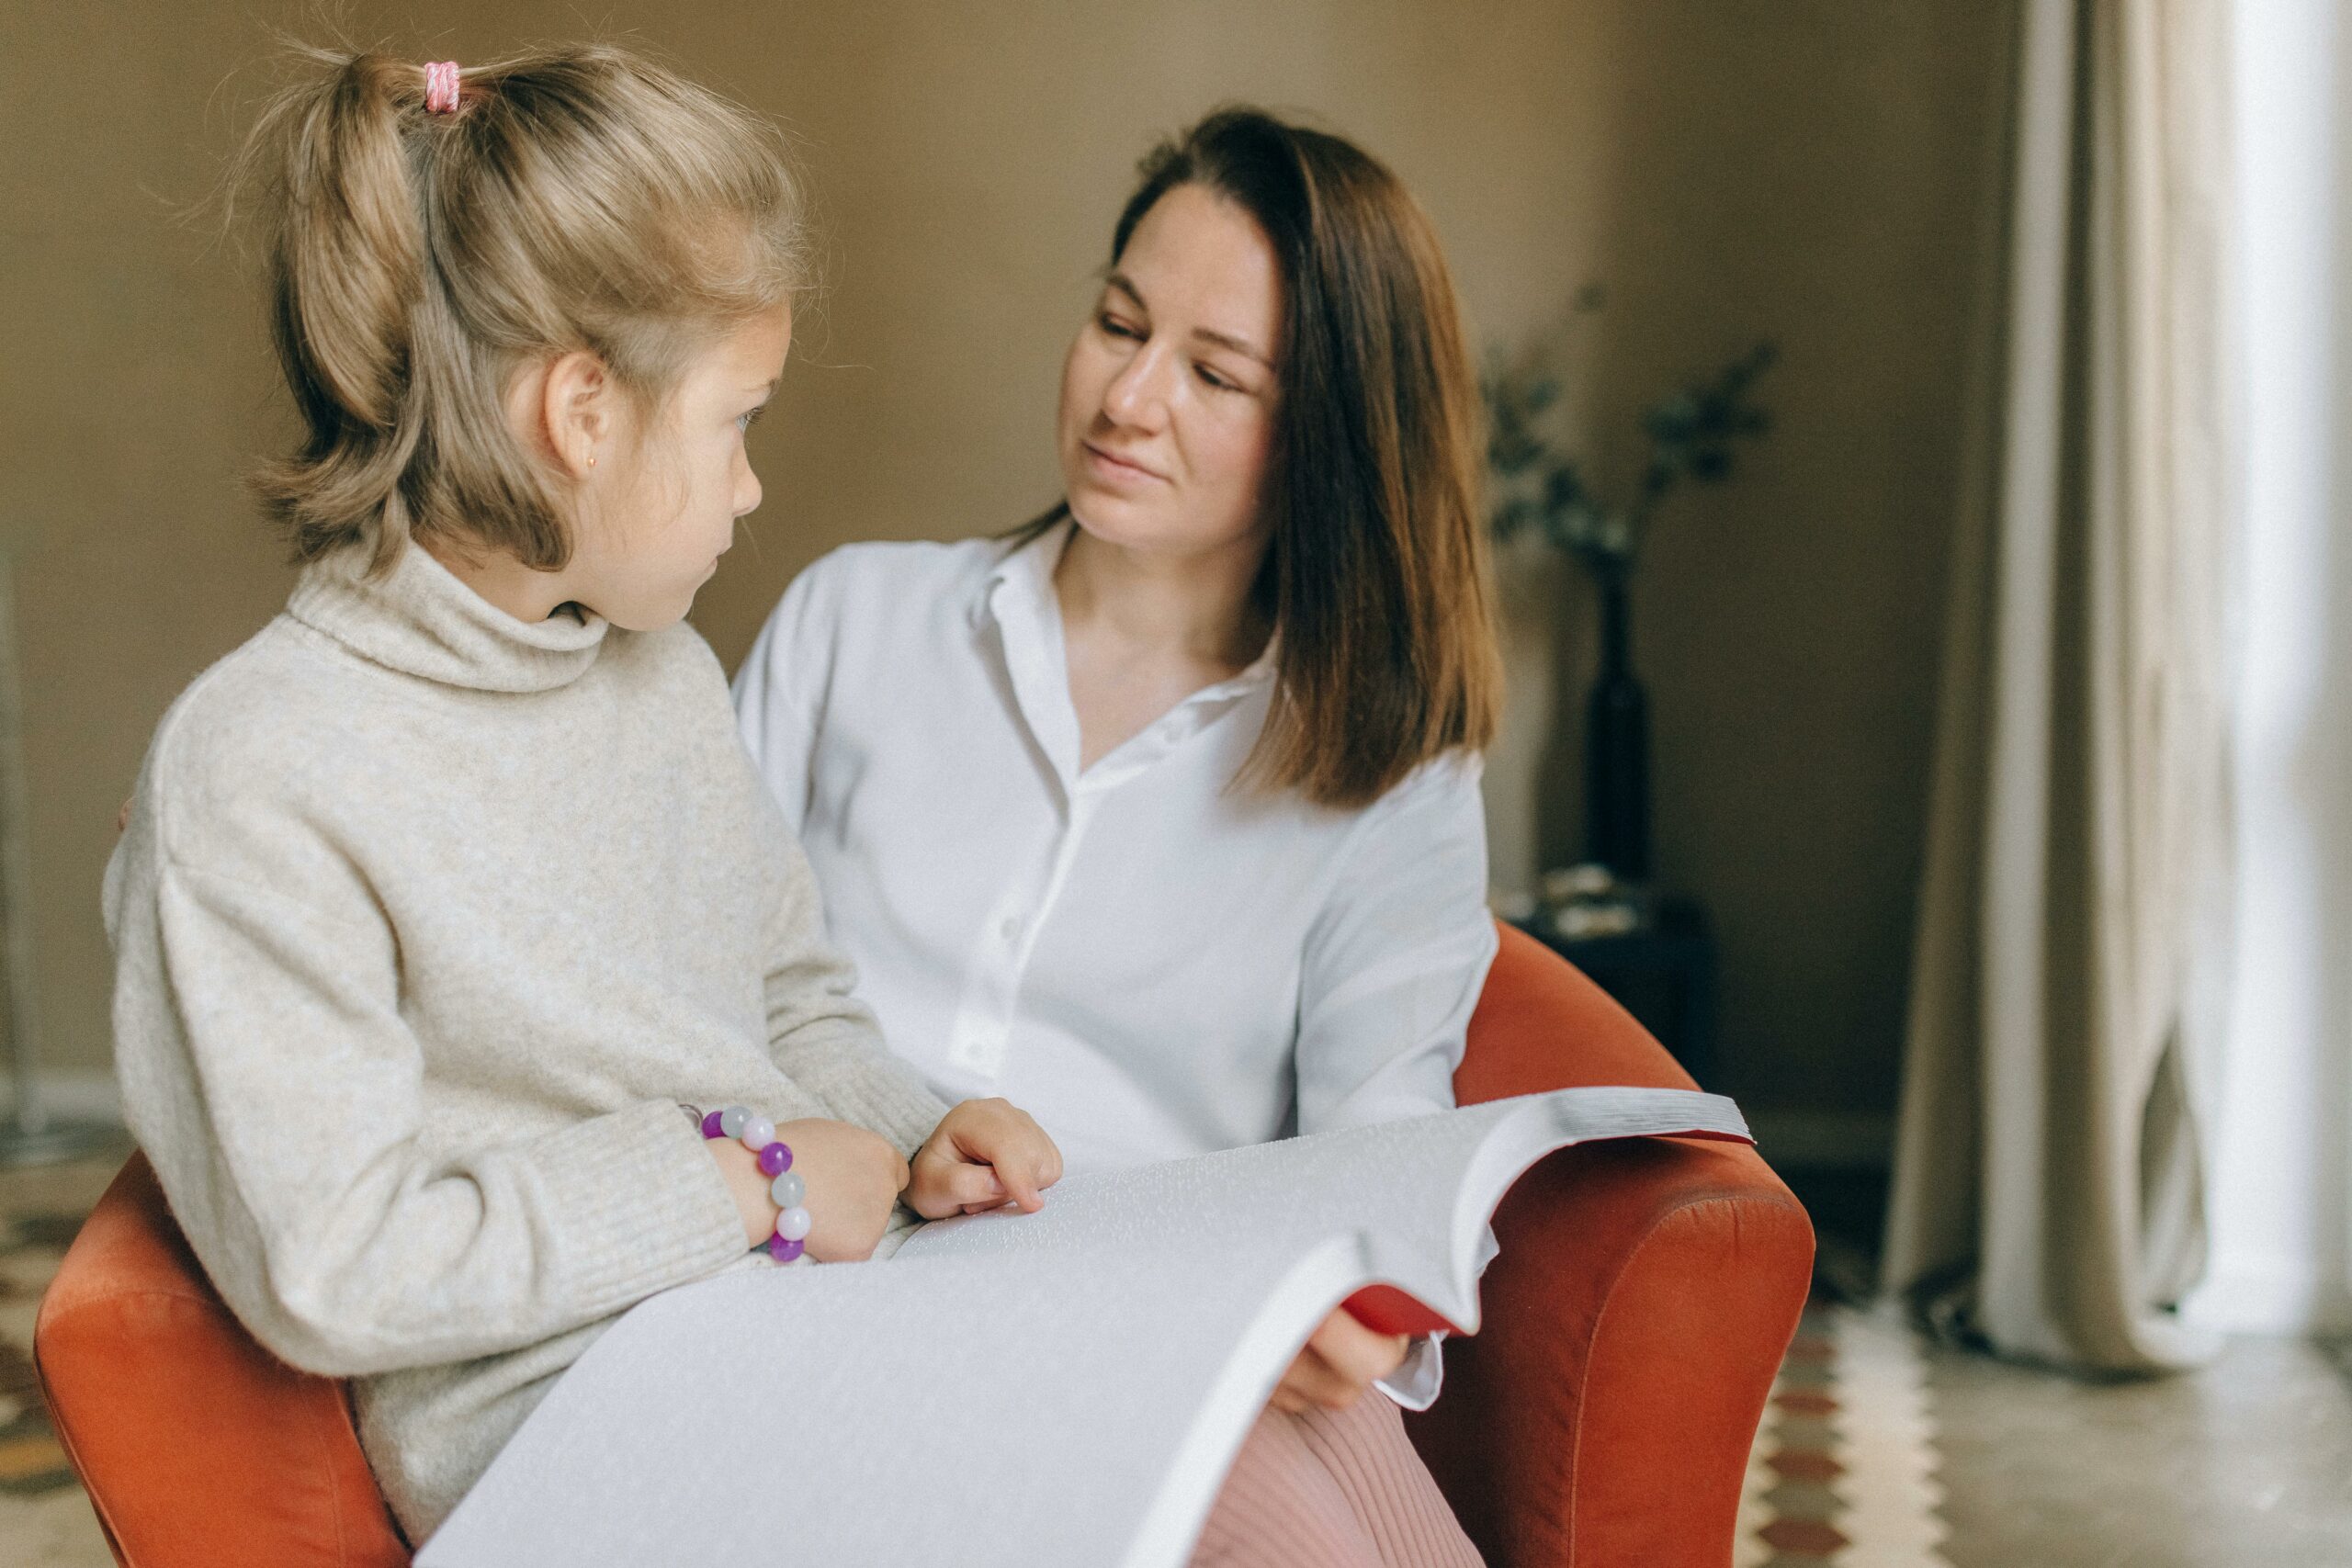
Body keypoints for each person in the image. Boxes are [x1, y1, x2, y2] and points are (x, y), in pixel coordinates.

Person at [102, 45, 1060, 1545]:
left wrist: (914, 1126)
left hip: (806, 1327)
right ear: (582, 415)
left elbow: (794, 1002)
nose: (752, 488)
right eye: (739, 420)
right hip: (579, 1437)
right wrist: (742, 1184)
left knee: (1271, 1451)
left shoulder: (658, 674)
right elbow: (339, 1264)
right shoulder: (258, 771)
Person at [735, 107, 1502, 1564]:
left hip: (1163, 1318)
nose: (1129, 397)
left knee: (1347, 1462)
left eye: (1215, 373)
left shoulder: (1390, 770)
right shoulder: (858, 623)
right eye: (1116, 322)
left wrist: (1350, 1297)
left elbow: (1383, 1138)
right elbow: (671, 976)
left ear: (1329, 440)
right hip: (825, 1280)